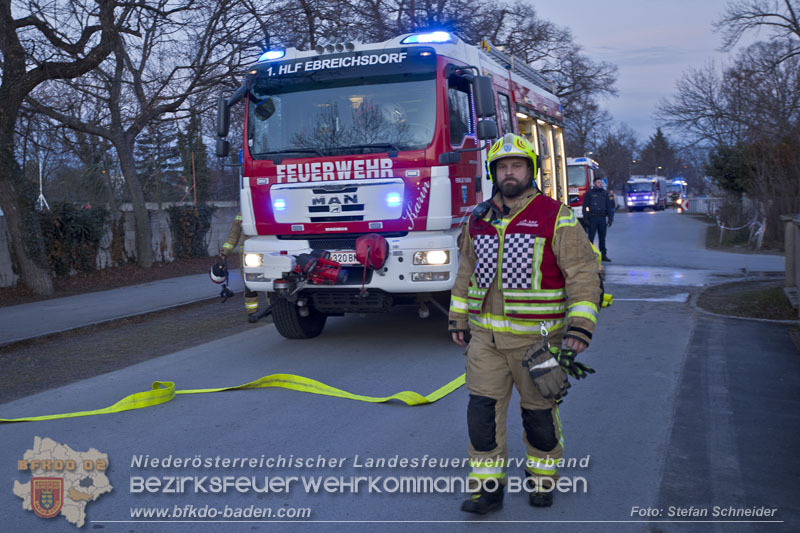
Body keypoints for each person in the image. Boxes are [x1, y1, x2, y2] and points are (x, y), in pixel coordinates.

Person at [449, 133, 602, 514]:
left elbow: (582, 273)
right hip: (485, 340)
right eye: (502, 167)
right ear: (493, 173)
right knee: (481, 415)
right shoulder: (477, 219)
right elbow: (466, 271)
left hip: (540, 343)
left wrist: (580, 328)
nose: (510, 173)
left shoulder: (556, 216)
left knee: (539, 417)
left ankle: (541, 479)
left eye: (517, 165)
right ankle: (487, 490)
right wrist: (458, 318)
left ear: (531, 170)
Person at [220, 212, 260, 322]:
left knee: (270, 284)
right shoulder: (241, 215)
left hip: (265, 252)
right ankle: (252, 312)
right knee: (249, 285)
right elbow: (233, 236)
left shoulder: (266, 210)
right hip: (247, 256)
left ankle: (274, 310)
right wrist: (225, 252)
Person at [582, 177, 615, 262]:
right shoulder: (589, 194)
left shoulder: (604, 194)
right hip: (592, 218)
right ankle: (589, 256)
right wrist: (586, 218)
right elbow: (585, 206)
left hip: (602, 218)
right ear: (594, 183)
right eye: (598, 182)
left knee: (602, 238)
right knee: (591, 238)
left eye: (601, 183)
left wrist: (610, 218)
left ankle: (603, 255)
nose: (600, 184)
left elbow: (608, 206)